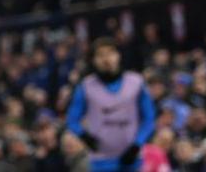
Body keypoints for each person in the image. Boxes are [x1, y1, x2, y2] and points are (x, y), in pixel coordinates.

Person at [67, 37, 157, 171]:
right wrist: (85, 137)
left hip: (132, 158)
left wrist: (137, 144)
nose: (106, 59)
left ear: (118, 55)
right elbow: (72, 120)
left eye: (110, 53)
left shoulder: (136, 82)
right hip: (101, 161)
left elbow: (149, 119)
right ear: (93, 60)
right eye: (100, 55)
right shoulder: (86, 87)